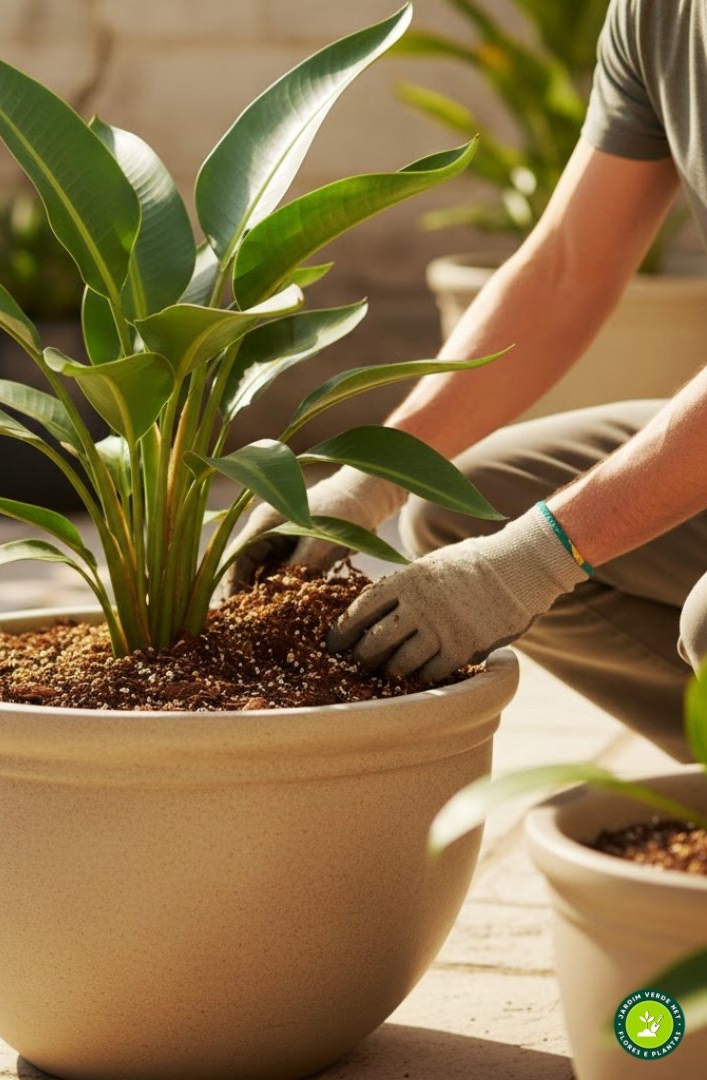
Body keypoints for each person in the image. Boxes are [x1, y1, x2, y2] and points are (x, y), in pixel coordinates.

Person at [226, 0, 707, 761]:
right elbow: (564, 273)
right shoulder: (657, 16)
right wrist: (368, 482)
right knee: (465, 508)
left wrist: (536, 559)